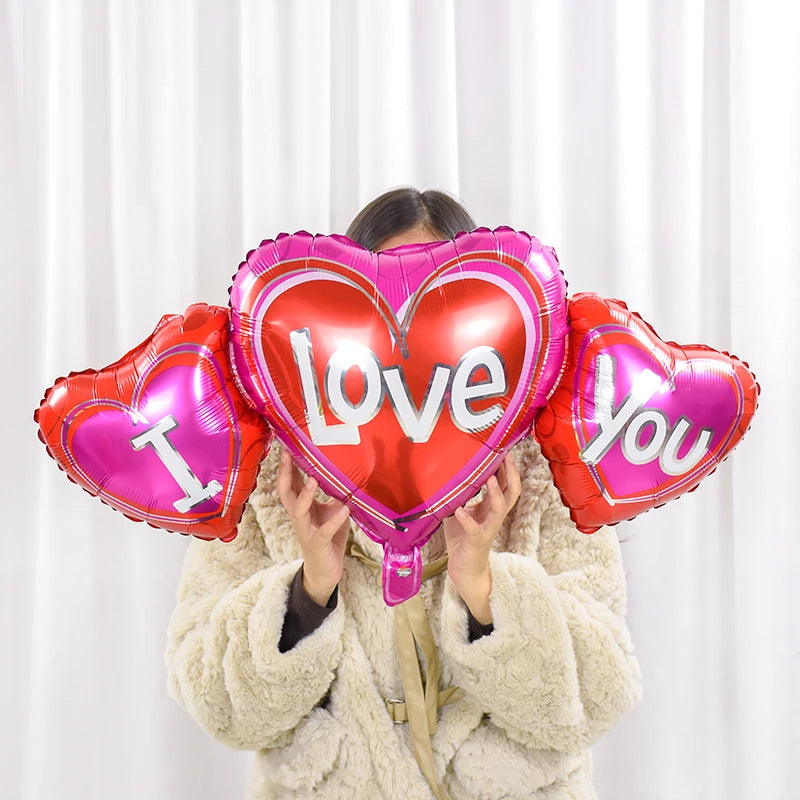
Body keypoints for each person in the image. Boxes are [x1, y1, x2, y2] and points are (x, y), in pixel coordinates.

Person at [165, 188, 642, 800]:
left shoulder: (548, 466)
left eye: (439, 310)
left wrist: (483, 586)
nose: (412, 352)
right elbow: (215, 702)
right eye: (387, 314)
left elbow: (597, 699)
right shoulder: (271, 472)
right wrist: (308, 590)